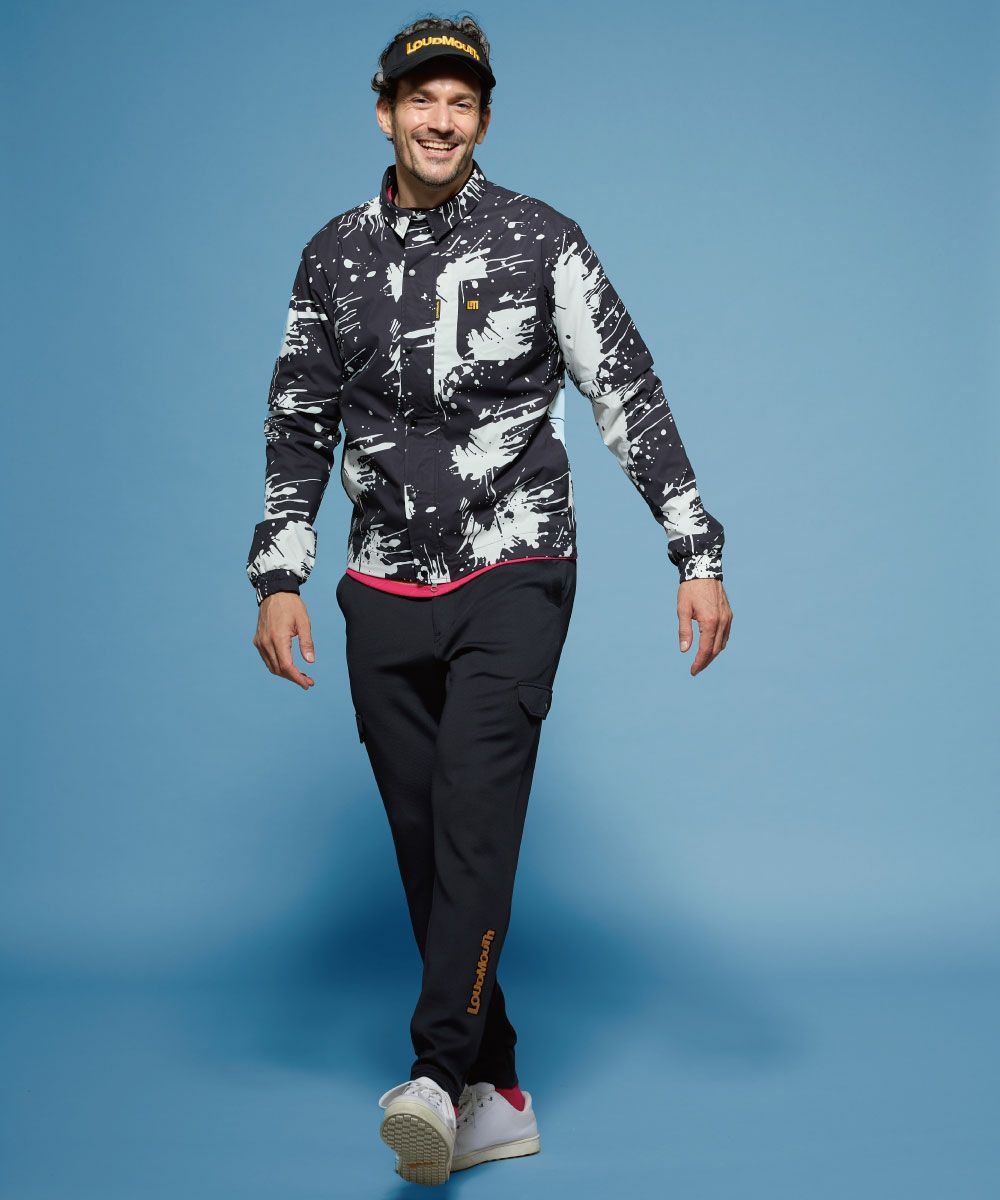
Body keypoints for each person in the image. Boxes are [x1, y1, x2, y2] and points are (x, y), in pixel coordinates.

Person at [247, 14, 733, 1187]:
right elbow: (299, 418)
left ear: (483, 118)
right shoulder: (330, 255)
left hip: (516, 566)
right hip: (378, 584)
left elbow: (626, 389)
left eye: (461, 102)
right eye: (421, 99)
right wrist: (279, 573)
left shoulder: (540, 238)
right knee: (425, 843)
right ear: (384, 111)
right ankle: (497, 1092)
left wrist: (695, 550)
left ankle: (430, 1074)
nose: (440, 119)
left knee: (473, 811)